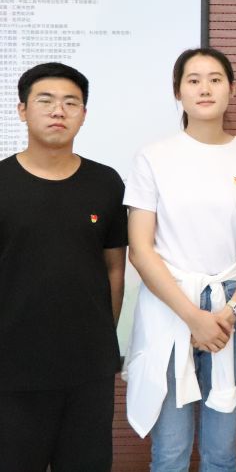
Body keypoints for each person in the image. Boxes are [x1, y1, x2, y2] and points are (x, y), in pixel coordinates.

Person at [122, 47, 236, 471]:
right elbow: (140, 249)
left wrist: (230, 313)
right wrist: (192, 317)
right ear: (178, 92)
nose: (204, 88)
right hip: (171, 304)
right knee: (170, 451)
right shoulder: (153, 157)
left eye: (215, 79)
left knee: (222, 452)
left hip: (234, 308)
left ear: (231, 89)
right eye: (193, 80)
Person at [0, 63, 127, 472]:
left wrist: (102, 337)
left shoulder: (106, 183)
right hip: (12, 369)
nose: (59, 111)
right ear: (22, 110)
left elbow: (115, 269)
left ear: (84, 114)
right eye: (46, 100)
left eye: (71, 103)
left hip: (88, 370)